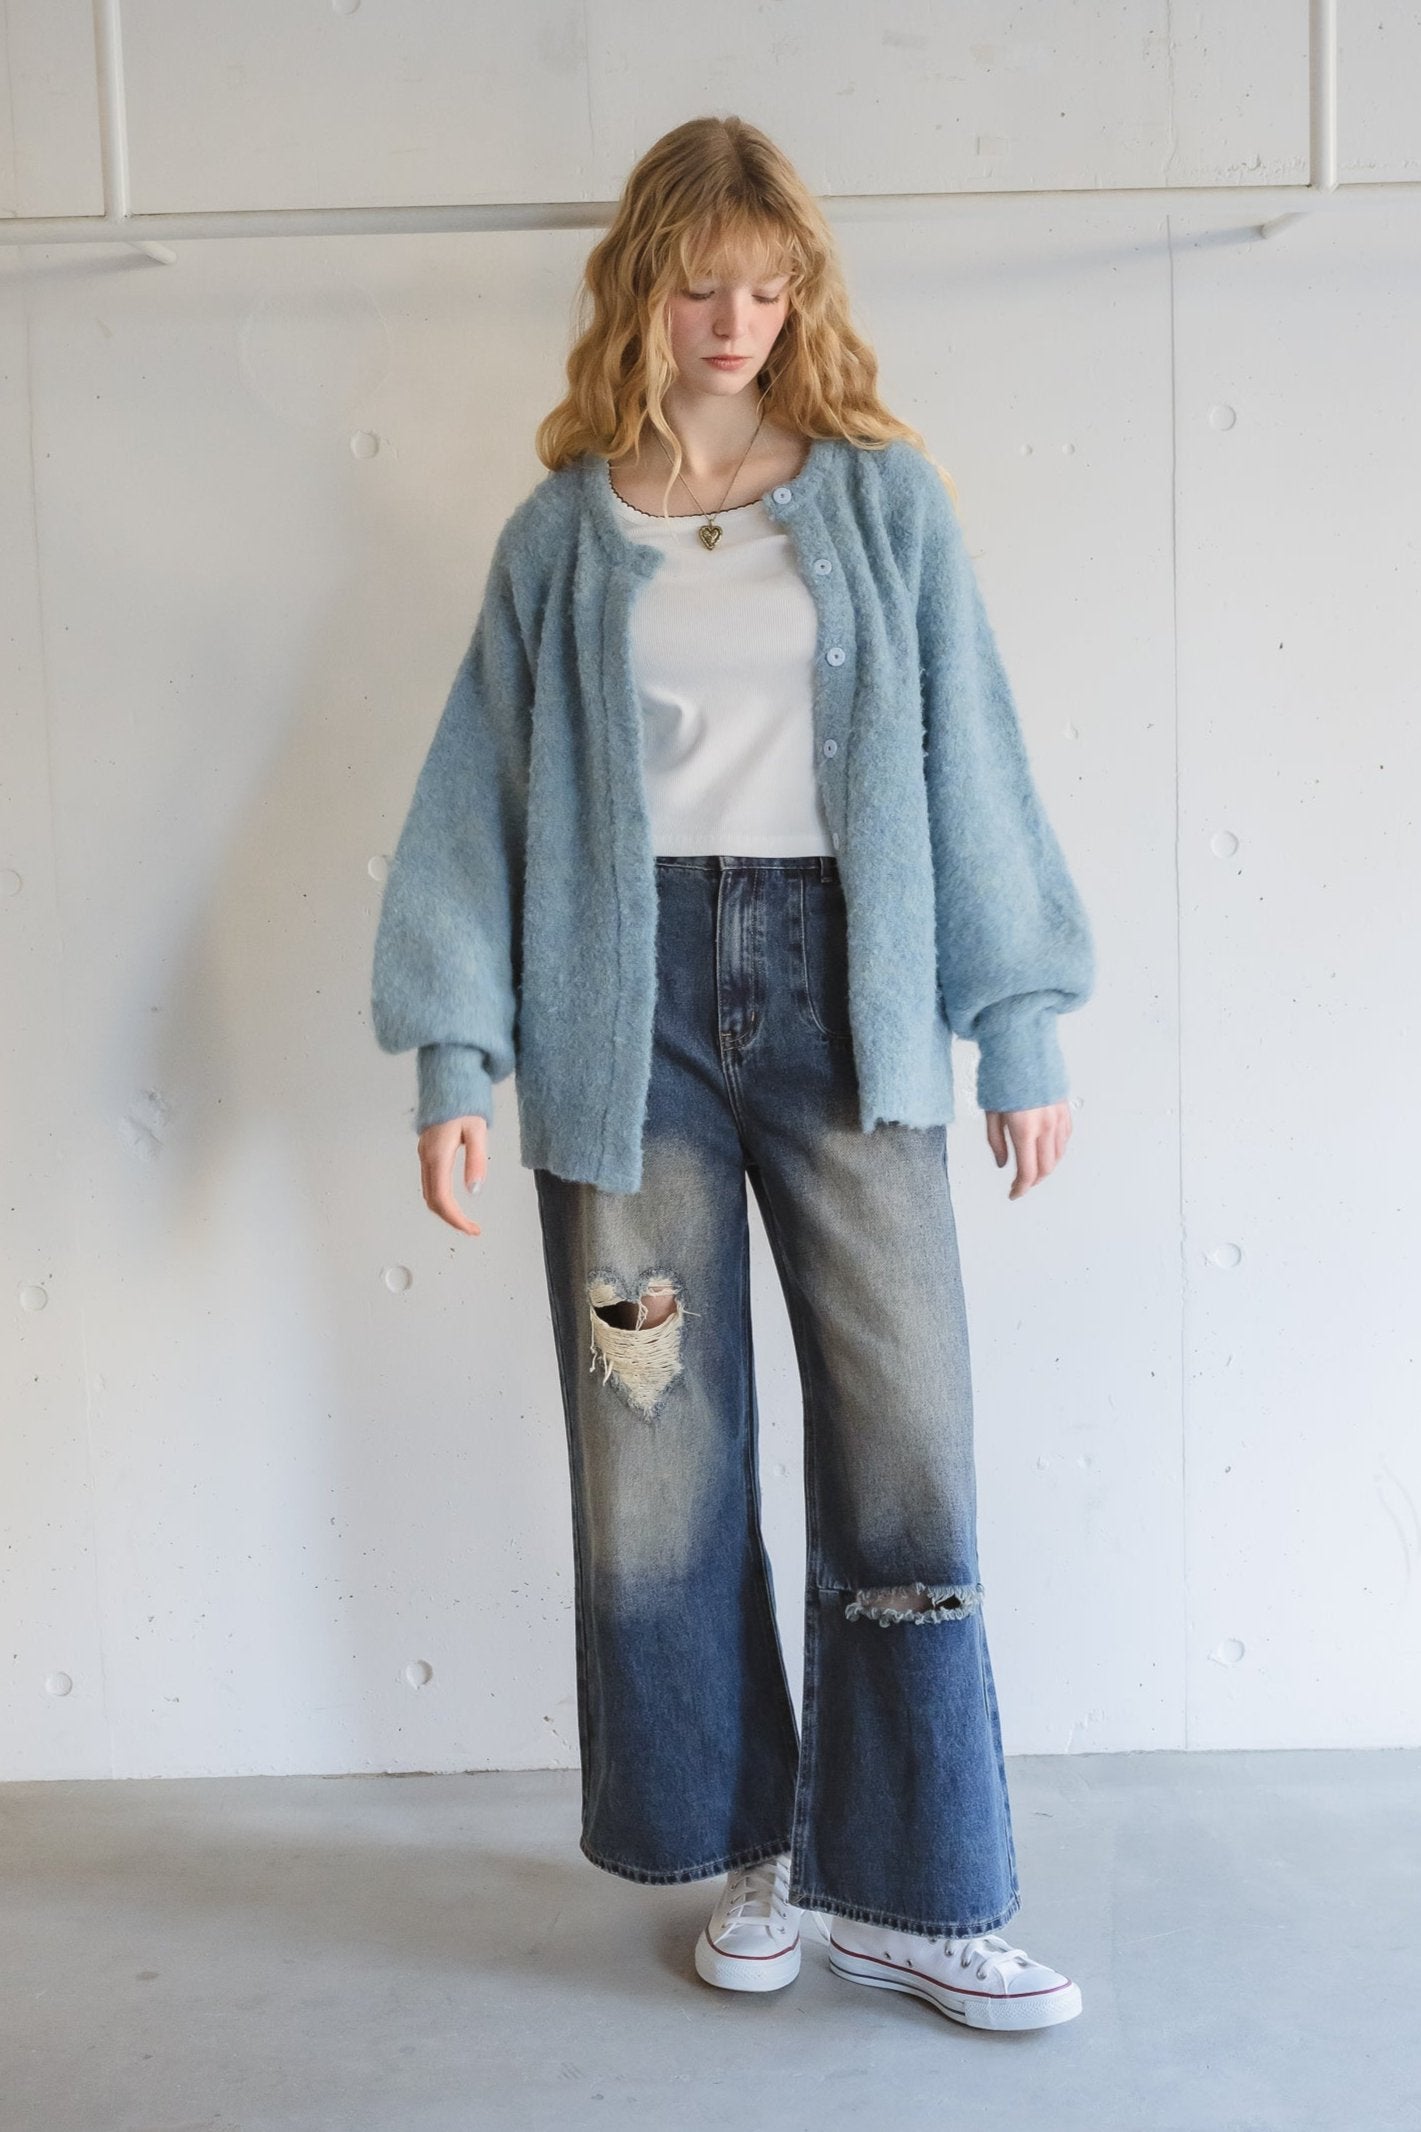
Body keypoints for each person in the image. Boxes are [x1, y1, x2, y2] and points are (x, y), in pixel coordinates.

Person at [370, 115, 1095, 2034]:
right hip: (630, 1036)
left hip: (851, 1004)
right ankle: (747, 1850)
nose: (736, 321)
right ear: (642, 288)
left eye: (770, 290)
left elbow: (971, 759)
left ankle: (920, 1898)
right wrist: (455, 1055)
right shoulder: (561, 537)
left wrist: (1017, 1019)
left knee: (904, 1448)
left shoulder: (877, 502)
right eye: (703, 286)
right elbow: (472, 810)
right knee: (656, 1459)